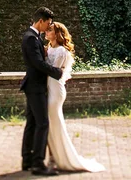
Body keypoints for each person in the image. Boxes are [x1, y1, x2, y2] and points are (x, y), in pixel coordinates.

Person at [44, 22, 106, 173]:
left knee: (54, 124)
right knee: (50, 125)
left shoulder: (61, 52)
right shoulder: (50, 49)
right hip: (48, 88)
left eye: (50, 30)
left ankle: (58, 158)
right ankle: (53, 157)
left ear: (57, 34)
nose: (46, 31)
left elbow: (53, 71)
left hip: (55, 90)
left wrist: (41, 60)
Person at [20, 7, 63, 176]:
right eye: (48, 23)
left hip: (33, 85)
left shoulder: (33, 37)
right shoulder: (30, 38)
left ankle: (27, 160)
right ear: (40, 21)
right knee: (43, 123)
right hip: (35, 87)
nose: (49, 26)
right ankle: (38, 163)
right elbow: (37, 63)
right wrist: (57, 72)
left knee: (31, 123)